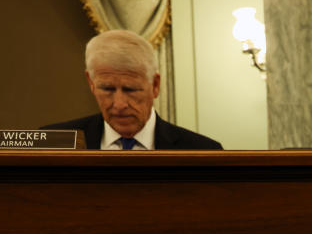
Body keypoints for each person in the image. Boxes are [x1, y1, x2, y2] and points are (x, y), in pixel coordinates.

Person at [42, 30, 222, 150]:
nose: (119, 104)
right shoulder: (53, 143)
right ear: (91, 82)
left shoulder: (202, 151)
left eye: (131, 90)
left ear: (155, 85)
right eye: (107, 89)